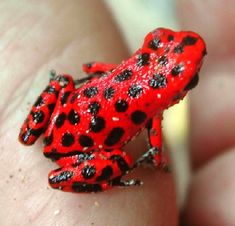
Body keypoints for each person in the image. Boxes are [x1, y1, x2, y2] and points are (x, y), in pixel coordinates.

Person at [0, 1, 234, 225]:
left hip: (59, 120)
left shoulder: (137, 76)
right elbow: (154, 147)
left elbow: (91, 68)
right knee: (123, 160)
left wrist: (95, 72)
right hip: (76, 152)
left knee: (61, 82)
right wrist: (158, 161)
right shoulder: (154, 110)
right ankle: (105, 182)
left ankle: (32, 133)